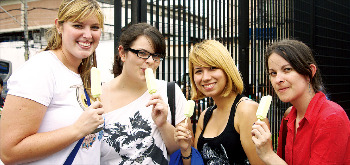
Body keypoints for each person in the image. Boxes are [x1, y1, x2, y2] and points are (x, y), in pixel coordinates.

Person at [0, 0, 105, 164]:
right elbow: (9, 152)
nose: (88, 35)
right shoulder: (40, 69)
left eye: (94, 27)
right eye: (78, 26)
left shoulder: (82, 73)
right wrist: (77, 129)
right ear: (59, 26)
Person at [99, 22, 188, 164]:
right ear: (122, 53)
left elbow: (182, 151)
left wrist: (163, 124)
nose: (151, 61)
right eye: (143, 53)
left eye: (156, 55)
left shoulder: (170, 92)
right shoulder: (97, 97)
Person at [251, 39, 350, 164]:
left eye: (287, 69)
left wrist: (268, 155)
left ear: (310, 72)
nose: (278, 79)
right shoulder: (289, 116)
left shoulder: (332, 118)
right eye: (273, 73)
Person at [174, 40, 268, 164]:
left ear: (226, 70)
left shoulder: (247, 110)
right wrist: (186, 150)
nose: (205, 77)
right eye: (198, 71)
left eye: (212, 68)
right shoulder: (205, 116)